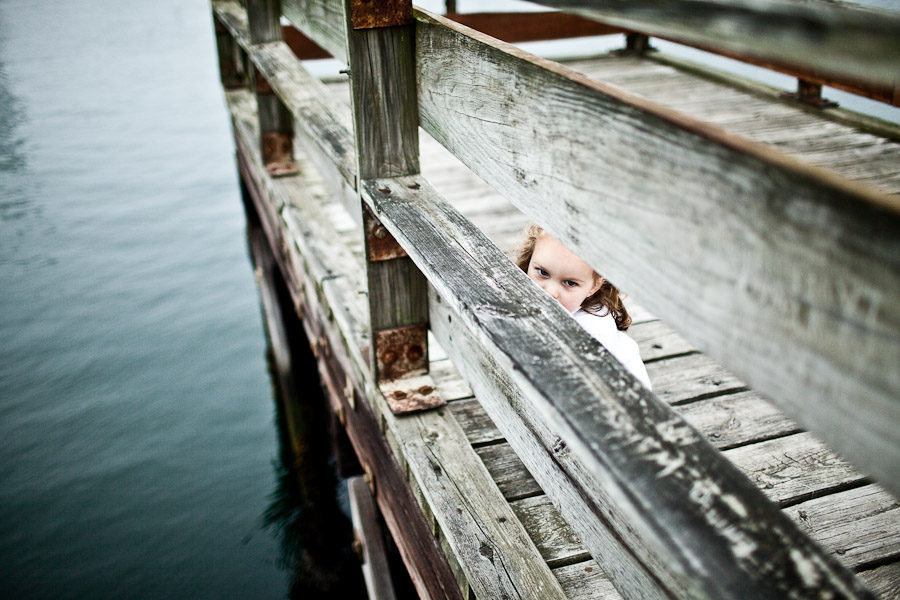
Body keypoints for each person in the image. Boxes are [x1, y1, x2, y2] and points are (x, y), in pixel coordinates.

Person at [513, 225, 651, 389]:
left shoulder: (592, 331)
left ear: (595, 286)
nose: (550, 292)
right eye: (542, 272)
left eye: (570, 283)